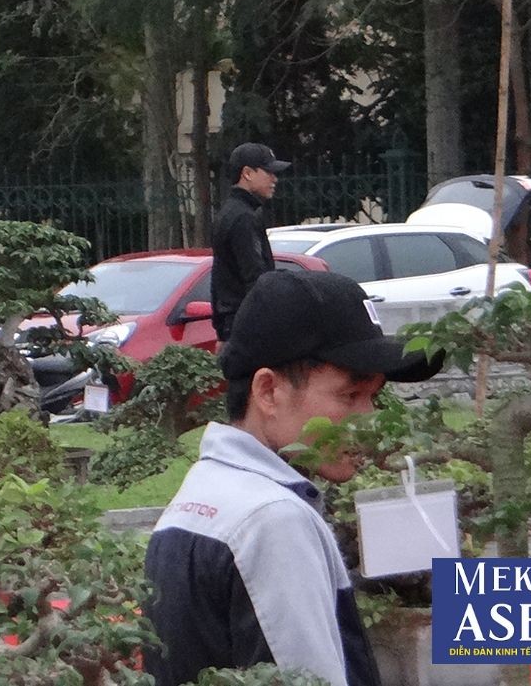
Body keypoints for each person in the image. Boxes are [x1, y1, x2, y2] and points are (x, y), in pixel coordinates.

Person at [143, 268, 443, 686]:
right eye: (350, 395)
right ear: (268, 391)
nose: (369, 418)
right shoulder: (273, 520)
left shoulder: (203, 494)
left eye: (373, 397)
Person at [211, 142, 291, 340]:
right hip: (247, 325)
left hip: (234, 323)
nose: (274, 179)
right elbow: (255, 277)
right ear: (247, 173)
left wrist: (221, 331)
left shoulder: (229, 211)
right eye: (268, 172)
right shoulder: (244, 217)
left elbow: (218, 276)